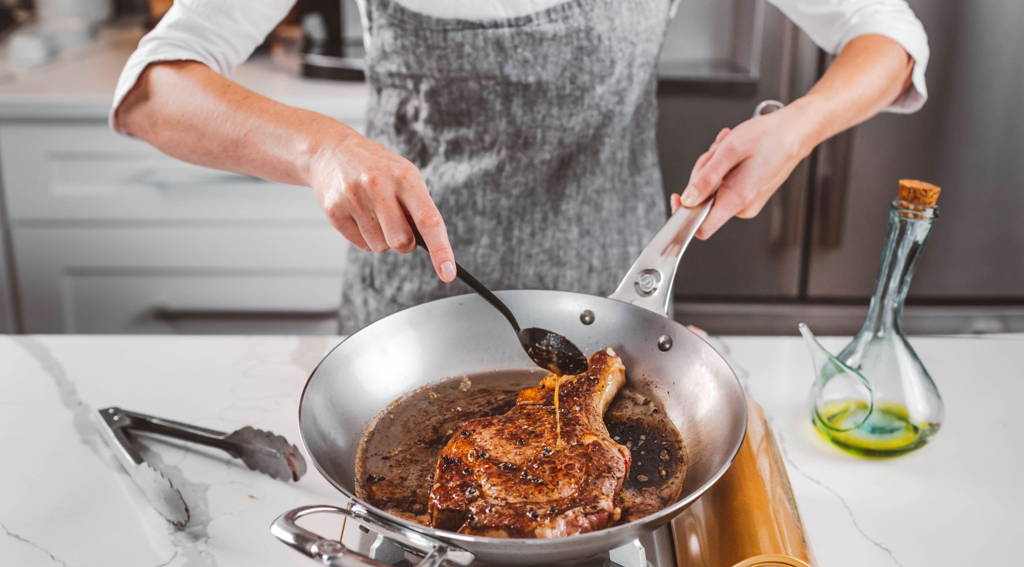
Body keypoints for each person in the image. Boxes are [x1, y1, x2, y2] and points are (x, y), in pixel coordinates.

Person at [112, 0, 928, 333]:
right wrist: (320, 148)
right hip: (413, 319)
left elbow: (889, 39)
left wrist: (797, 128)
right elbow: (155, 89)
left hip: (612, 312)